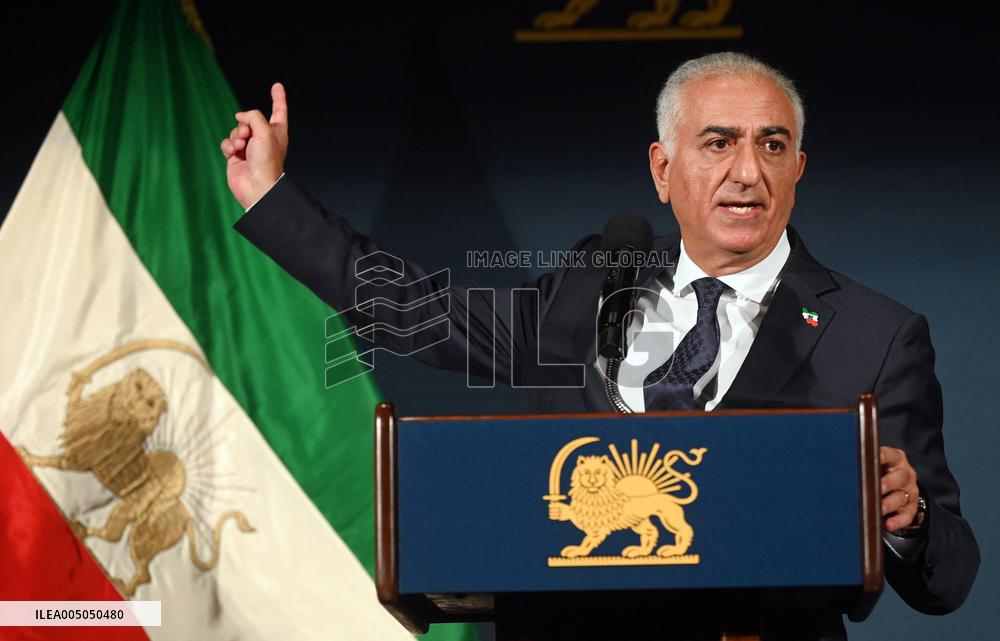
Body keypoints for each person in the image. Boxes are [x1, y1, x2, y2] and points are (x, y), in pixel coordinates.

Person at [220, 52, 978, 639]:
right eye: (718, 143)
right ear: (662, 168)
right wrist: (273, 199)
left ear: (798, 169)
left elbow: (949, 578)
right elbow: (414, 310)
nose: (748, 172)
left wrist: (907, 522)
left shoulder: (877, 335)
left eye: (772, 145)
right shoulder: (590, 286)